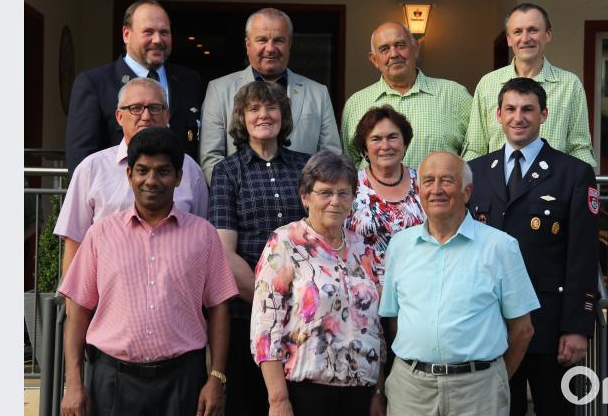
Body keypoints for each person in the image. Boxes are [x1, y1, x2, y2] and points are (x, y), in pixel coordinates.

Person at [58, 127, 238, 416]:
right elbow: (77, 311)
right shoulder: (99, 235)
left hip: (183, 380)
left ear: (178, 177)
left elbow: (219, 308)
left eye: (163, 171)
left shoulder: (203, 235)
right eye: (142, 170)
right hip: (112, 380)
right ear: (129, 174)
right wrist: (74, 383)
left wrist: (216, 378)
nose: (151, 180)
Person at [467, 77, 599, 415]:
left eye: (528, 109)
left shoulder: (573, 173)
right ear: (497, 115)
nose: (518, 117)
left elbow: (582, 257)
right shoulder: (476, 172)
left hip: (549, 327)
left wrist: (577, 326)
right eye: (510, 109)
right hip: (490, 328)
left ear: (544, 114)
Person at [379, 151, 539, 416]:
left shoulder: (501, 247)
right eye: (428, 181)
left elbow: (523, 329)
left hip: (478, 392)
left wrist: (492, 377)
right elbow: (394, 320)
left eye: (447, 180)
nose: (437, 189)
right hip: (411, 391)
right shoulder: (400, 245)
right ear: (418, 191)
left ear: (467, 192)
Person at [250, 150, 383, 416]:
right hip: (305, 393)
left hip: (360, 393)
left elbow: (377, 328)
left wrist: (378, 392)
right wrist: (278, 400)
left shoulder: (363, 248)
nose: (335, 201)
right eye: (325, 192)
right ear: (305, 197)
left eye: (343, 193)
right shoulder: (285, 243)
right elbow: (266, 328)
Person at [208, 80, 311, 415]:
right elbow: (224, 252)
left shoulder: (307, 168)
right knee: (249, 404)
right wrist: (270, 303)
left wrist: (297, 304)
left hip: (304, 317)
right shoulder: (227, 172)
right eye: (254, 108)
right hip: (247, 313)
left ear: (283, 116)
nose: (263, 115)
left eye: (271, 107)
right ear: (242, 118)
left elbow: (320, 238)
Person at [55, 77, 208, 278]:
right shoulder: (91, 169)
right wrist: (73, 306)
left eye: (155, 108)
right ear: (119, 116)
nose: (146, 116)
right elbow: (75, 242)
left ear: (167, 116)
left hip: (174, 299)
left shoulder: (189, 170)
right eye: (136, 108)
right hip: (106, 299)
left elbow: (204, 241)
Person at [200, 7, 341, 182]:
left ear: (289, 44)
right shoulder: (219, 90)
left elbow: (331, 158)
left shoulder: (318, 93)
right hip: (241, 203)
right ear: (247, 44)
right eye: (262, 40)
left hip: (303, 203)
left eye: (279, 41)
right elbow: (210, 158)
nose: (270, 48)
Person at [65, 0, 204, 174]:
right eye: (148, 32)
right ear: (126, 34)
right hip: (117, 198)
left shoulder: (189, 81)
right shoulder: (95, 83)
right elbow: (81, 162)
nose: (157, 40)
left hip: (181, 196)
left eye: (164, 32)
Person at [463, 3, 596, 167]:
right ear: (509, 39)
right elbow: (476, 149)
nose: (525, 38)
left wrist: (581, 184)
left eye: (533, 30)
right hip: (498, 187)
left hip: (553, 186)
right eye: (517, 32)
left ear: (547, 35)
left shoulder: (570, 85)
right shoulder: (488, 84)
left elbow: (579, 148)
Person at [341, 21, 472, 169]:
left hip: (437, 192)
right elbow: (349, 164)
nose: (394, 54)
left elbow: (475, 148)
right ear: (374, 60)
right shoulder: (355, 104)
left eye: (400, 45)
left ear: (415, 49)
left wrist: (456, 180)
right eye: (384, 49)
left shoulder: (454, 95)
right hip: (375, 192)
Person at [345, 105, 425, 286]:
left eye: (392, 137)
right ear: (365, 149)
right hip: (364, 291)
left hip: (419, 288)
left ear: (405, 143)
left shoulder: (424, 184)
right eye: (376, 139)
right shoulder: (349, 188)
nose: (385, 146)